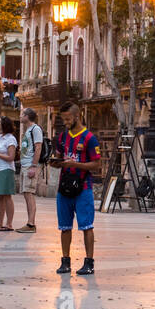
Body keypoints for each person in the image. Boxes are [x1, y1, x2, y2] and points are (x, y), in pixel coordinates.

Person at [52, 100, 102, 276]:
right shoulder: (62, 137)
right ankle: (65, 261)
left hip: (83, 187)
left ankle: (89, 262)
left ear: (77, 116)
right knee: (64, 226)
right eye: (63, 119)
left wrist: (76, 164)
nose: (65, 123)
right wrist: (56, 163)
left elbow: (96, 163)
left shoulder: (89, 138)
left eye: (68, 119)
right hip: (64, 187)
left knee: (87, 226)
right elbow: (59, 157)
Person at [16, 108, 44, 233]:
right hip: (25, 165)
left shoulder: (35, 129)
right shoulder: (28, 130)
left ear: (27, 116)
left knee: (29, 193)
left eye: (22, 114)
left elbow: (38, 148)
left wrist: (33, 166)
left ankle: (31, 224)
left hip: (30, 166)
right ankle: (29, 222)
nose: (20, 116)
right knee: (26, 193)